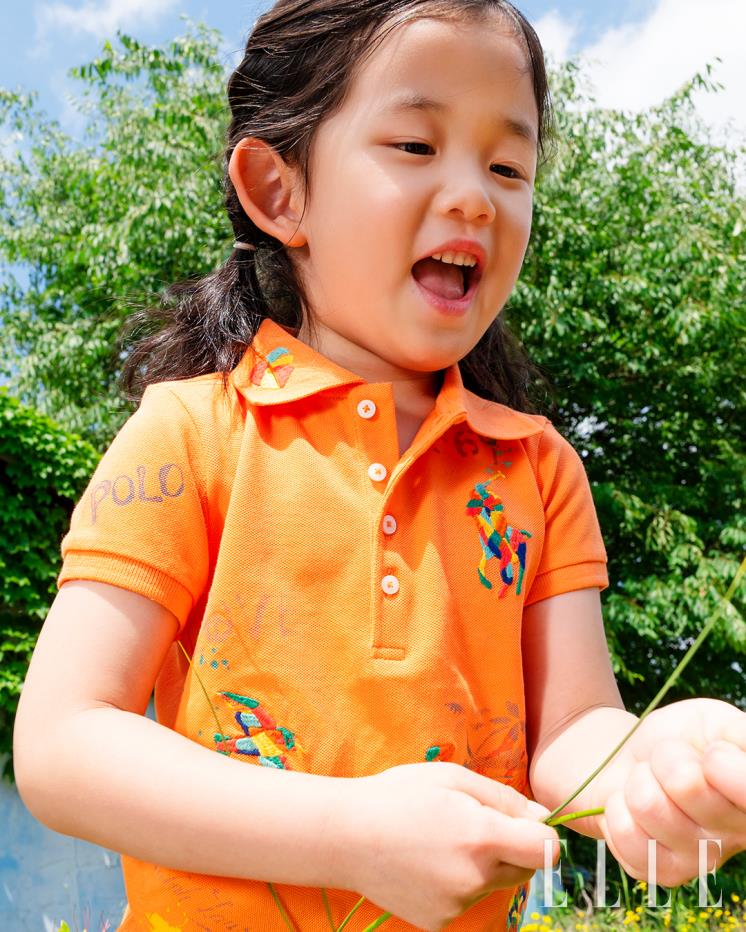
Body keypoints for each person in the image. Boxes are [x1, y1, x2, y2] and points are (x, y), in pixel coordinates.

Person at [12, 0, 746, 930]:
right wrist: (348, 833)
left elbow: (573, 734)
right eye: (413, 145)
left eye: (509, 165)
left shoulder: (539, 470)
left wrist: (654, 771)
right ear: (282, 193)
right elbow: (61, 744)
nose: (475, 194)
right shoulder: (191, 434)